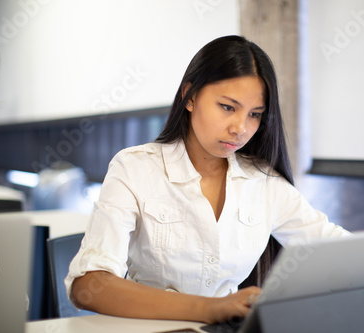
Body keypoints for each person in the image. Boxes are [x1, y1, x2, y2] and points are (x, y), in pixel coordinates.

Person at [65, 35, 349, 324]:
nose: (240, 128)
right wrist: (211, 308)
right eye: (227, 107)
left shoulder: (263, 182)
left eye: (254, 115)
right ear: (190, 96)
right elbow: (88, 287)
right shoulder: (135, 168)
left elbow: (336, 248)